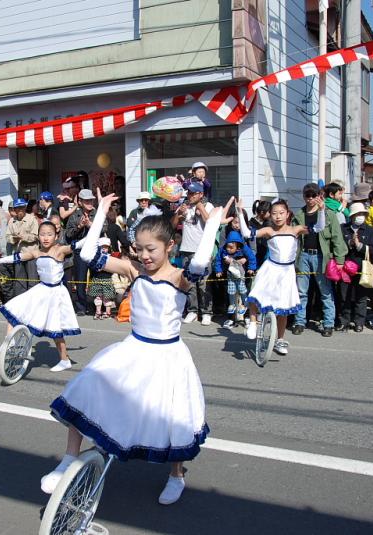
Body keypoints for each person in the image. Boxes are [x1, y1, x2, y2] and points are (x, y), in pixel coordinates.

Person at [43, 191, 223, 506]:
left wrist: (211, 228)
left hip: (167, 355)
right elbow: (88, 254)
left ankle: (176, 475)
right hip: (133, 349)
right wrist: (100, 212)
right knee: (87, 385)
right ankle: (70, 458)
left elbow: (200, 263)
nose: (145, 255)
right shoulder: (133, 270)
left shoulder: (180, 277)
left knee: (171, 417)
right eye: (139, 249)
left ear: (169, 246)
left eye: (151, 249)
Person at [0, 220, 81, 372]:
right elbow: (17, 257)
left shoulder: (59, 250)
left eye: (49, 234)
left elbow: (78, 245)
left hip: (55, 293)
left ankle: (65, 360)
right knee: (13, 309)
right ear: (38, 236)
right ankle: (9, 343)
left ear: (56, 236)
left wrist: (97, 237)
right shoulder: (36, 252)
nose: (45, 238)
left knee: (54, 329)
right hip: (41, 289)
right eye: (42, 234)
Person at [239, 199, 306, 353]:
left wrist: (321, 211)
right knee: (255, 294)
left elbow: (318, 228)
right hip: (271, 268)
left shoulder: (296, 230)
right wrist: (240, 213)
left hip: (287, 271)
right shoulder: (269, 230)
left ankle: (280, 339)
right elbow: (247, 234)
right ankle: (253, 322)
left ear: (287, 214)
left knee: (283, 307)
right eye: (274, 213)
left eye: (281, 213)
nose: (278, 216)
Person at [292, 182, 348, 337]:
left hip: (322, 256)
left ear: (320, 196)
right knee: (301, 291)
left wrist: (340, 259)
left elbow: (337, 237)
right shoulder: (299, 215)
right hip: (303, 255)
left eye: (313, 195)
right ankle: (299, 321)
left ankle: (328, 323)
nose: (310, 199)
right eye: (307, 196)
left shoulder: (329, 214)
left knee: (325, 291)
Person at [171, 181, 215, 326]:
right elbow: (172, 225)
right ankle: (192, 311)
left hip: (203, 250)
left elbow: (211, 223)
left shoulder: (208, 206)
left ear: (201, 194)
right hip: (186, 249)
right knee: (189, 283)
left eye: (192, 193)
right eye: (188, 193)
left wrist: (201, 208)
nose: (189, 195)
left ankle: (207, 312)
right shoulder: (184, 205)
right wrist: (179, 213)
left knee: (204, 283)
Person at [337, 203, 373, 333]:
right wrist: (350, 242)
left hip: (362, 267)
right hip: (346, 267)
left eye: (362, 214)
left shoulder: (369, 229)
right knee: (344, 295)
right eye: (358, 214)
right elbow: (338, 245)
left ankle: (359, 322)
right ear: (352, 216)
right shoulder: (343, 228)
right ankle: (344, 321)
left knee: (361, 296)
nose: (360, 217)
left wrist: (359, 245)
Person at [64, 190, 98, 315]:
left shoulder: (97, 213)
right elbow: (68, 234)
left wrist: (90, 224)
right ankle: (81, 307)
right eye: (87, 200)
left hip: (95, 251)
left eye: (91, 200)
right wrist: (79, 226)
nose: (90, 203)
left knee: (97, 279)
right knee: (80, 279)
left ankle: (96, 307)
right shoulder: (74, 215)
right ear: (80, 202)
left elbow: (104, 228)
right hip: (80, 251)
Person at [215, 229, 256, 329]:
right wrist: (218, 270)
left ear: (238, 246)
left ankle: (245, 304)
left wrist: (251, 268)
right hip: (230, 276)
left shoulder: (244, 248)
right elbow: (218, 260)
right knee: (231, 291)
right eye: (227, 247)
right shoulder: (223, 250)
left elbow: (252, 257)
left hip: (241, 276)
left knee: (243, 290)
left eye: (231, 247)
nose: (228, 249)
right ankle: (232, 305)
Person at [5, 198, 39, 298]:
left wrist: (24, 237)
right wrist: (14, 239)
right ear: (14, 210)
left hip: (31, 254)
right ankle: (21, 303)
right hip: (18, 254)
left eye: (22, 208)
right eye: (17, 208)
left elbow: (36, 236)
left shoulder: (32, 219)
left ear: (25, 208)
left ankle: (33, 302)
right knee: (20, 282)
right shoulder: (11, 221)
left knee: (33, 280)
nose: (20, 210)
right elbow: (7, 237)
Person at [88, 237, 116, 319]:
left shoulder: (111, 257)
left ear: (109, 248)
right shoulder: (95, 257)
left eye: (106, 247)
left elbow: (113, 268)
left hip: (107, 279)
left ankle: (107, 312)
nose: (104, 249)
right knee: (98, 297)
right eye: (102, 247)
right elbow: (91, 267)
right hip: (97, 278)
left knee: (107, 298)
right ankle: (98, 312)